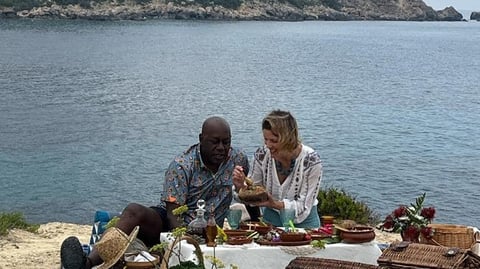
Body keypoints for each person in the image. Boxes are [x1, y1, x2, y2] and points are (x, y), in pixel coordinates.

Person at [61, 116, 251, 269]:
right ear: (201, 140)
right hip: (173, 224)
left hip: (210, 229)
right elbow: (172, 213)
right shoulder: (182, 166)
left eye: (226, 142)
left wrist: (243, 190)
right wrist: (184, 242)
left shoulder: (238, 159)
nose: (221, 148)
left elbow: (250, 194)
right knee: (134, 211)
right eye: (215, 142)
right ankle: (87, 263)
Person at [233, 110, 323, 228]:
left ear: (289, 139)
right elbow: (254, 193)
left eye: (274, 141)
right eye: (266, 139)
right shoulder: (262, 155)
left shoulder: (311, 161)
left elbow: (304, 207)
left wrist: (274, 204)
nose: (268, 145)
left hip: (305, 225)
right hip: (270, 223)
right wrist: (241, 186)